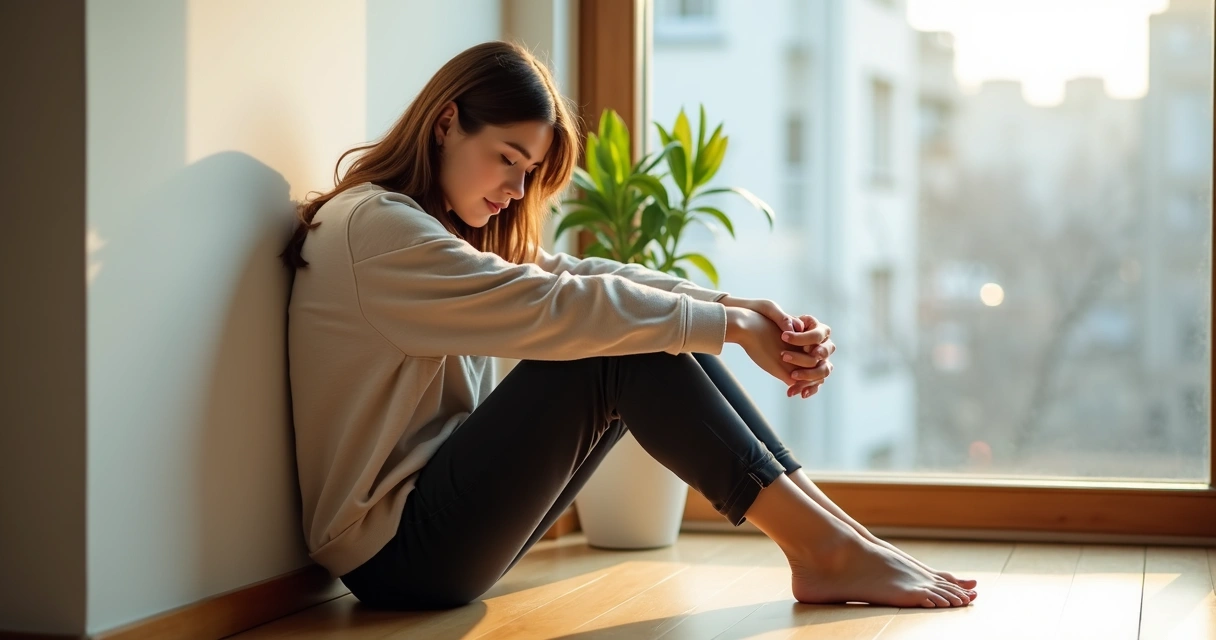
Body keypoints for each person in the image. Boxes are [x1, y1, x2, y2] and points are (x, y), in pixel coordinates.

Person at [280, 40, 978, 612]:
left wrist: (740, 310)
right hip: (396, 554)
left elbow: (578, 279)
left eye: (529, 173)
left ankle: (840, 538)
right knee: (618, 347)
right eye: (507, 160)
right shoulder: (377, 230)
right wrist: (728, 325)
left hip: (437, 532)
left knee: (641, 329)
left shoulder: (438, 234)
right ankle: (827, 551)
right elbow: (564, 307)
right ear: (445, 123)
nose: (516, 191)